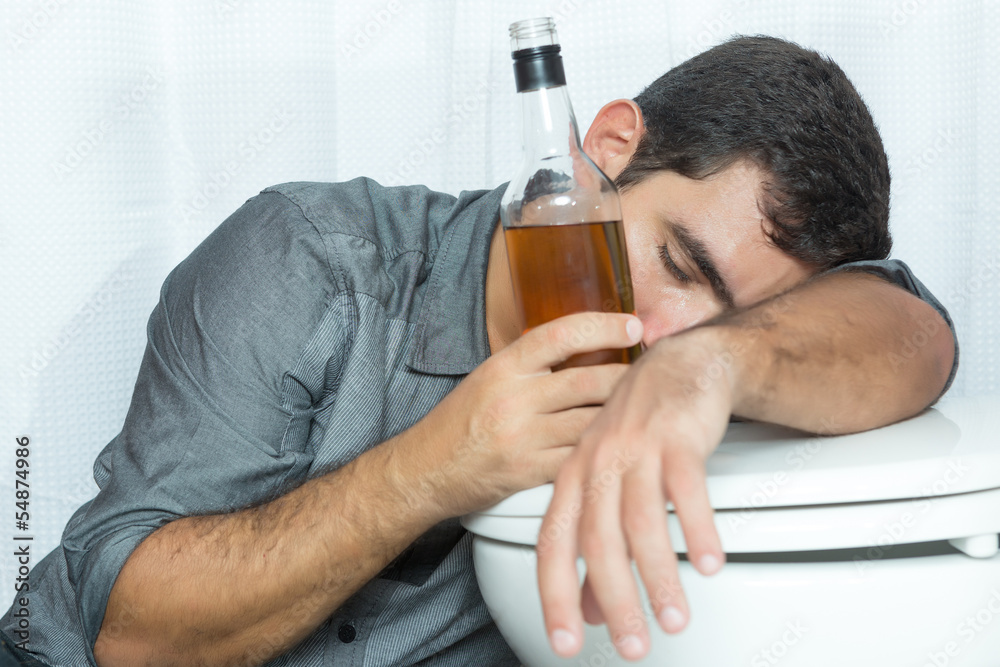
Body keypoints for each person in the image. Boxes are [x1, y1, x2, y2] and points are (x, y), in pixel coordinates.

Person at [1, 35, 956, 667]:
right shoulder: (316, 262)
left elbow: (915, 333)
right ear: (608, 147)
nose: (664, 327)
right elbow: (129, 636)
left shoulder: (694, 352)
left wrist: (711, 367)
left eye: (731, 318)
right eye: (675, 260)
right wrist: (435, 468)